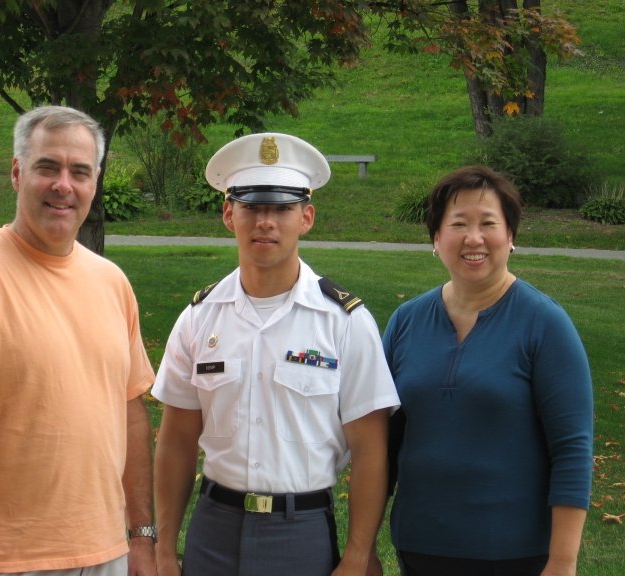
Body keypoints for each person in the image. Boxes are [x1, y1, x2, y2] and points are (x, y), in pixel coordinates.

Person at [0, 105, 158, 576]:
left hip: (107, 555)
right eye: (48, 167)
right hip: (5, 561)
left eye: (79, 172)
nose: (64, 185)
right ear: (18, 173)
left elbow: (130, 414)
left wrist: (142, 537)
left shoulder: (112, 283)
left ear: (95, 182)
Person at [152, 132, 400, 576]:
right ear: (229, 214)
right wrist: (165, 549)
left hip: (299, 531)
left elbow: (370, 451)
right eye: (251, 207)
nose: (266, 221)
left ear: (307, 217)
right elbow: (175, 440)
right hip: (213, 530)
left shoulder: (343, 321)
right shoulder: (199, 317)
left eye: (282, 209)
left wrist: (358, 556)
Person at [382, 165, 594, 576]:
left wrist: (563, 562)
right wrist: (363, 546)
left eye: (488, 223)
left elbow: (572, 450)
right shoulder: (406, 322)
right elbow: (382, 444)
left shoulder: (545, 324)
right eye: (458, 223)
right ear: (436, 238)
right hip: (419, 548)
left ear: (510, 237)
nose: (473, 238)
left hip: (514, 555)